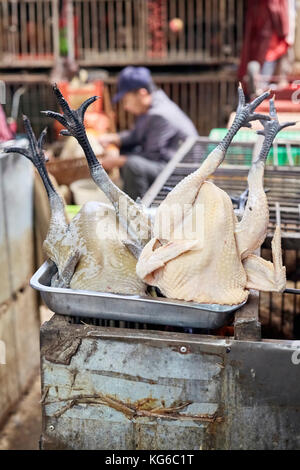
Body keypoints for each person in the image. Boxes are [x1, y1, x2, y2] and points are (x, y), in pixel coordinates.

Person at [99, 66, 198, 200]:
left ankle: (136, 211)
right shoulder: (152, 106)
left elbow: (152, 155)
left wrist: (117, 161)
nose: (125, 107)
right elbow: (137, 135)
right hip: (166, 161)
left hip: (180, 173)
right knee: (127, 154)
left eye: (126, 100)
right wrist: (114, 139)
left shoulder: (159, 115)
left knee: (133, 166)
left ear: (142, 94)